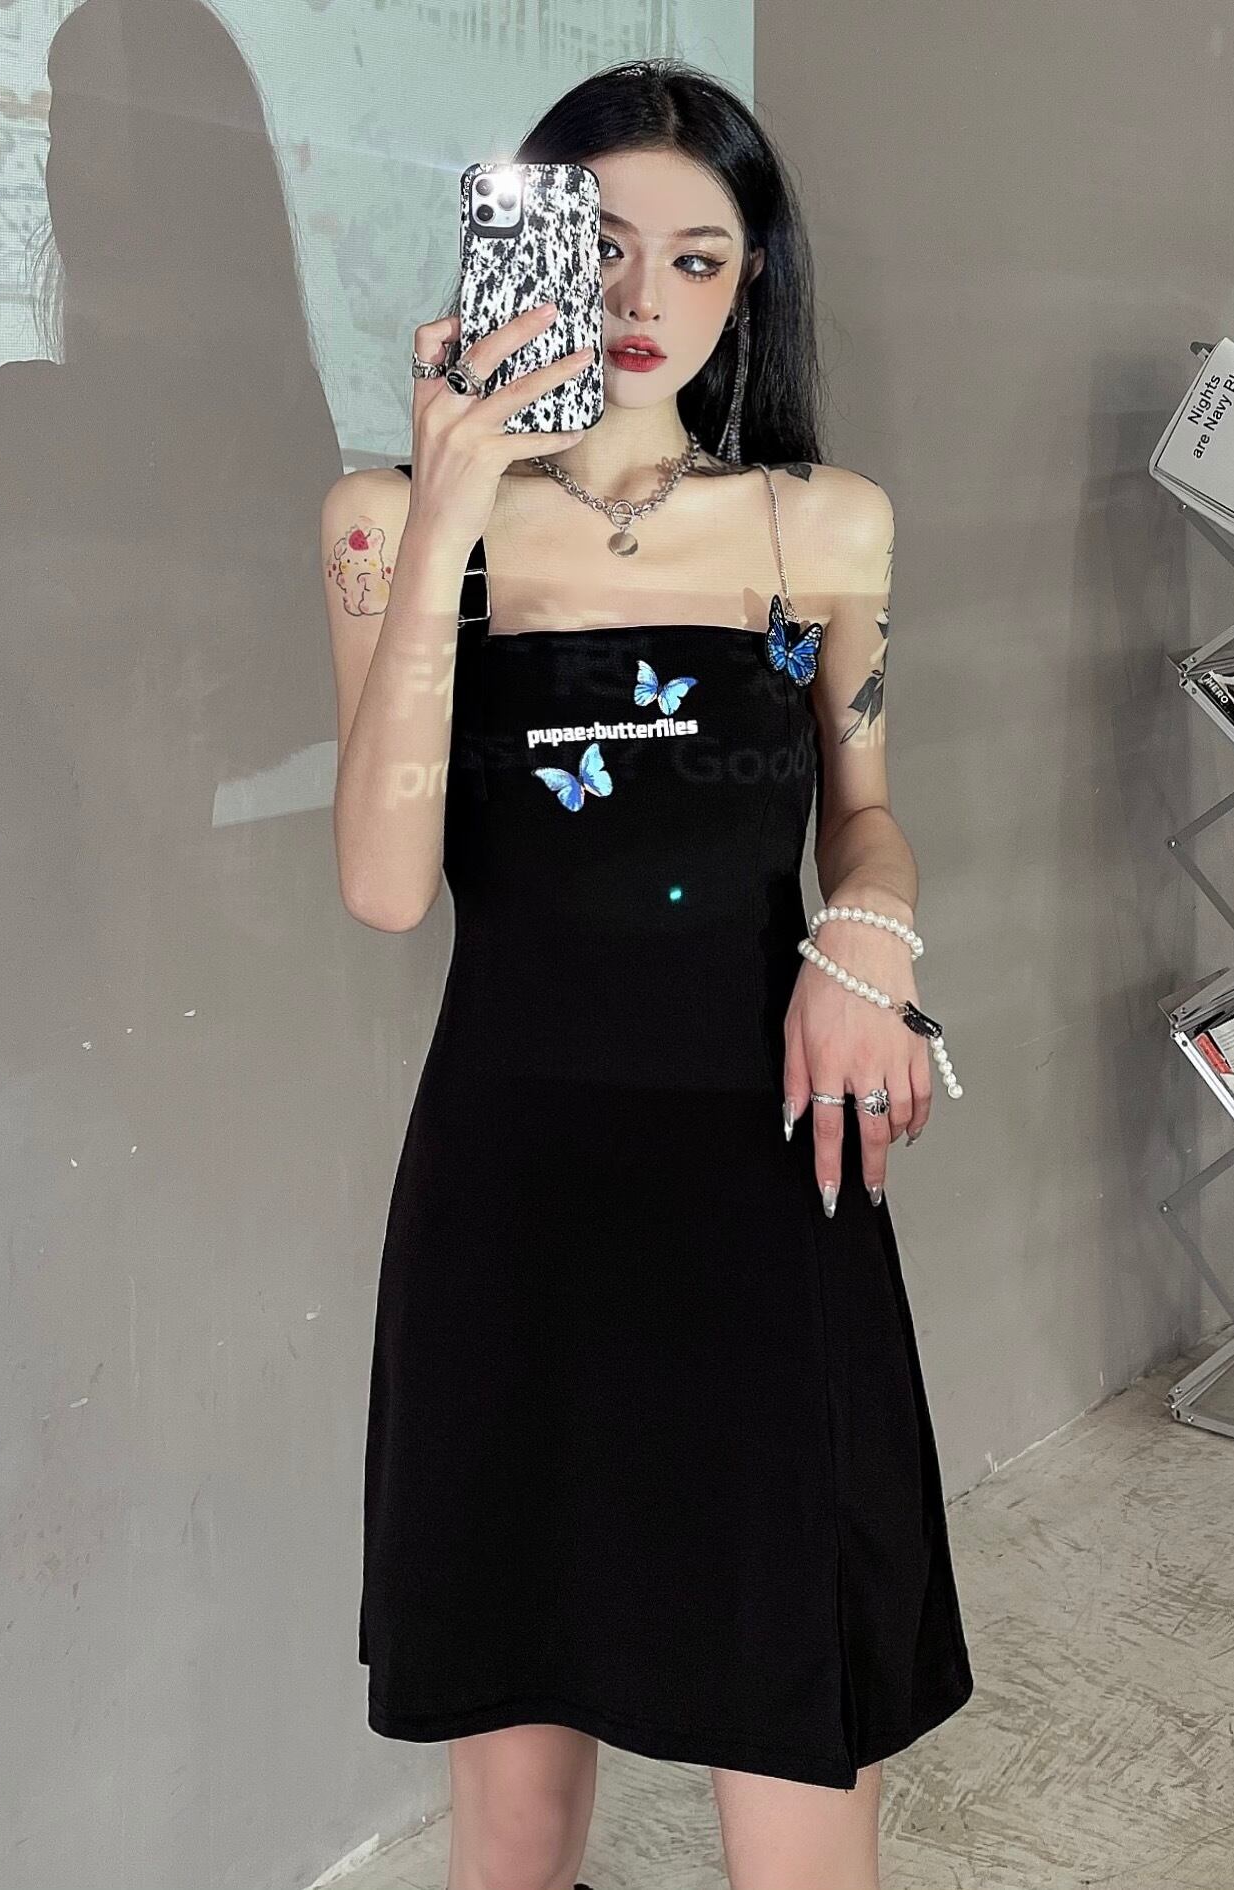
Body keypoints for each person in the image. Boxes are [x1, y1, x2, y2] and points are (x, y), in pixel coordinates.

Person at [322, 59, 974, 1890]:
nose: (638, 298)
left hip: (762, 1181)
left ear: (750, 283)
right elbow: (383, 888)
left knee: (798, 1750)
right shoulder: (385, 522)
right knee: (510, 1819)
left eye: (696, 258)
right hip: (511, 1198)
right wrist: (452, 506)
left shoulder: (818, 524)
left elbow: (866, 821)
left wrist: (865, 945)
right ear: (516, 247)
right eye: (595, 246)